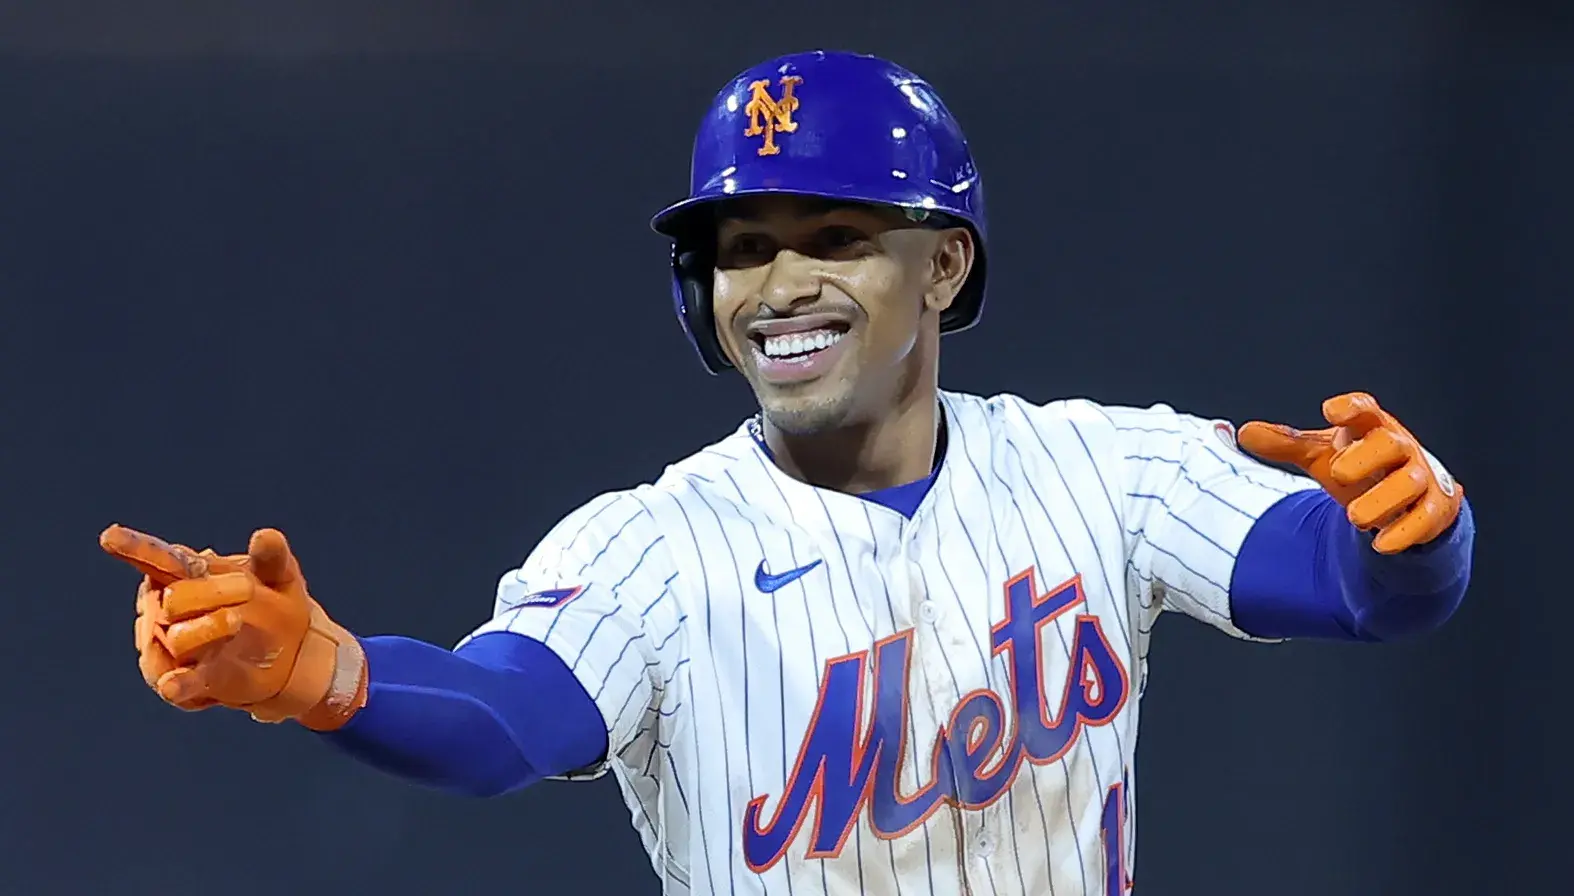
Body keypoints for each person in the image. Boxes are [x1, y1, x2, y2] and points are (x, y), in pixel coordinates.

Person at [101, 49, 1475, 896]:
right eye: (744, 246)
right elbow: (508, 714)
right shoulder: (654, 547)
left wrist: (1411, 539)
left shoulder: (1094, 469)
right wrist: (329, 678)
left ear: (943, 263)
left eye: (833, 232)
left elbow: (1350, 584)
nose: (780, 282)